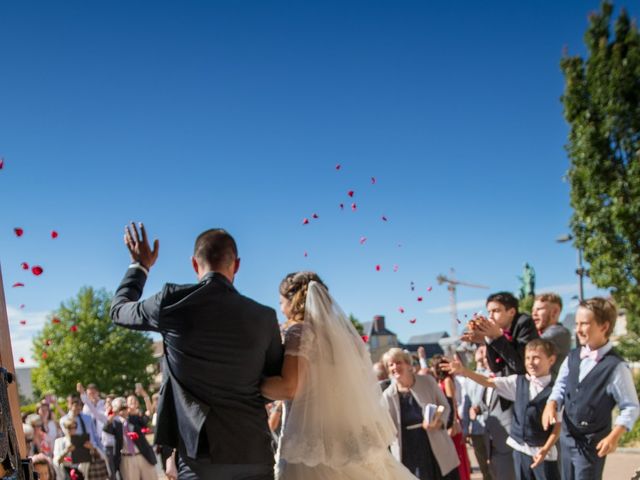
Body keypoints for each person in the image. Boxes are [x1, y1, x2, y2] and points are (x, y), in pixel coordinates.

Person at [110, 223, 283, 480]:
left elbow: (119, 310)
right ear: (236, 265)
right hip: (253, 453)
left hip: (200, 459)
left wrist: (140, 265)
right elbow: (272, 384)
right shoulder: (263, 317)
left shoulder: (171, 302)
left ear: (194, 264)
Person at [261, 272, 417, 479]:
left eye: (281, 302)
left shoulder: (299, 332)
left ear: (293, 301)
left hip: (309, 445)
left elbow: (289, 387)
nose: (281, 308)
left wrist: (254, 382)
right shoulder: (348, 342)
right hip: (349, 440)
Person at [542, 297, 640, 480]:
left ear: (604, 326)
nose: (577, 329)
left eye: (584, 323)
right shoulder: (572, 356)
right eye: (577, 323)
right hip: (567, 438)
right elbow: (561, 386)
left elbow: (631, 407)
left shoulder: (616, 366)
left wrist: (614, 436)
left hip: (591, 445)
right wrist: (552, 403)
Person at [443, 339, 562, 480]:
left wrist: (545, 449)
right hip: (519, 449)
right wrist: (464, 371)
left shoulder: (556, 391)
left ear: (551, 360)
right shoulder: (518, 381)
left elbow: (557, 427)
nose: (530, 362)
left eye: (536, 358)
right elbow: (488, 381)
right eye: (527, 358)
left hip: (543, 452)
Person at [462, 292, 538, 480]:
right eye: (489, 312)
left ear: (511, 311)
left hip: (526, 396)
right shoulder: (497, 332)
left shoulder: (524, 325)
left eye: (496, 311)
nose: (491, 316)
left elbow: (521, 366)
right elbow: (495, 366)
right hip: (506, 392)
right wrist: (489, 339)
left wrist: (496, 337)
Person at [380, 347, 460, 479]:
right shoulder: (387, 396)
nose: (395, 367)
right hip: (408, 452)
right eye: (390, 365)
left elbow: (444, 406)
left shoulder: (427, 381)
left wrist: (438, 422)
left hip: (435, 446)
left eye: (398, 362)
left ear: (408, 364)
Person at [430, 355, 471, 480]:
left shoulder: (447, 381)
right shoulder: (439, 382)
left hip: (451, 422)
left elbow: (451, 403)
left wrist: (453, 424)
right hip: (445, 420)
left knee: (456, 456)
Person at [103, 397, 156, 480]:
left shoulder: (134, 418)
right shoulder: (116, 424)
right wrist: (112, 414)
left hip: (143, 455)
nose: (123, 411)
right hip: (126, 458)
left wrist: (133, 412)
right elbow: (106, 429)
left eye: (124, 408)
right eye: (120, 409)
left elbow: (145, 421)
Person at [461, 345, 492, 480]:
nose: (481, 351)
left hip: (490, 427)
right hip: (476, 429)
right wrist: (465, 428)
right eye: (479, 350)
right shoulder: (469, 378)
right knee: (483, 467)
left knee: (494, 466)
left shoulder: (490, 374)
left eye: (484, 350)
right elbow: (466, 404)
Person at [531, 293, 571, 377]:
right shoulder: (540, 333)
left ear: (555, 312)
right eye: (533, 310)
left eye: (539, 309)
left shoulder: (560, 333)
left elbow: (530, 346)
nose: (534, 314)